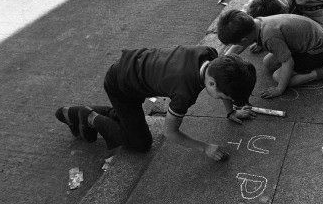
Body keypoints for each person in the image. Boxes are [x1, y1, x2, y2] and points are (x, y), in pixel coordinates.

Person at [55, 46, 257, 161]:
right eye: (222, 97)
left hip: (133, 69)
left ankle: (94, 115)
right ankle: (89, 117)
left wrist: (230, 113)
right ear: (211, 83)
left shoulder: (210, 56)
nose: (223, 100)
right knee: (140, 143)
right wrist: (205, 148)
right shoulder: (184, 92)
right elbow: (169, 133)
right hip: (121, 85)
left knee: (127, 117)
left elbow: (225, 83)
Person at [217, 9, 323, 99]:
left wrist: (279, 89)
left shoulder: (269, 37)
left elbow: (288, 62)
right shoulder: (257, 23)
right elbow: (239, 46)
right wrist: (220, 62)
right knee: (268, 62)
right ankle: (319, 65)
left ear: (245, 39)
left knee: (278, 77)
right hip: (310, 40)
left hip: (316, 51)